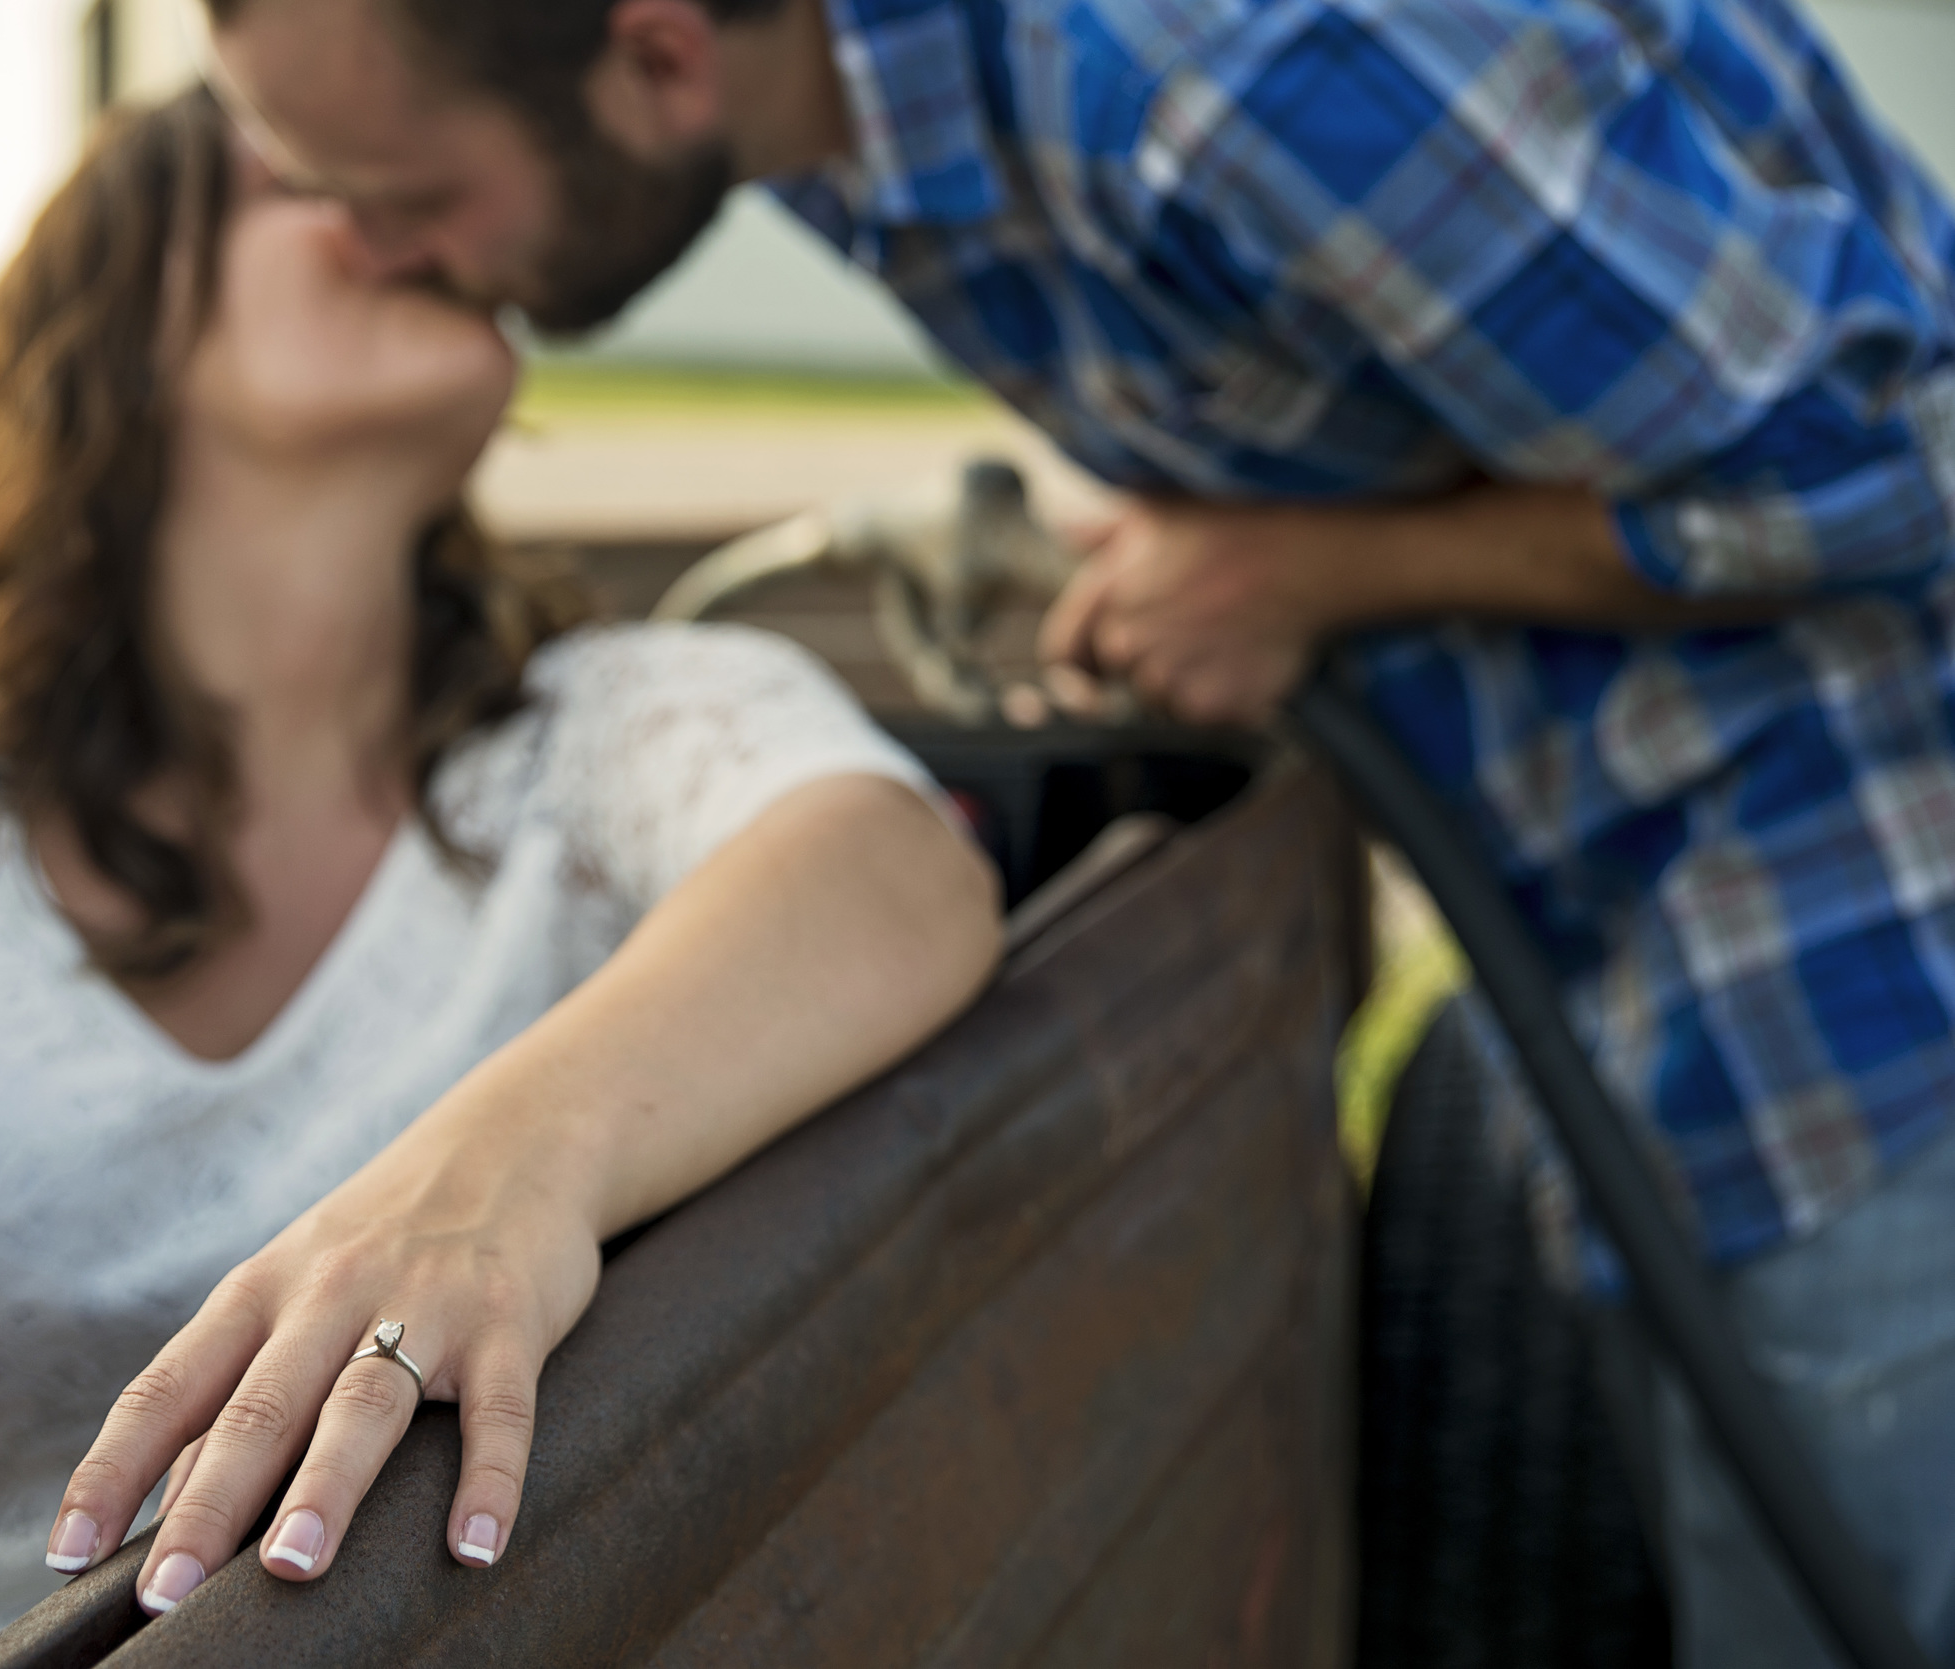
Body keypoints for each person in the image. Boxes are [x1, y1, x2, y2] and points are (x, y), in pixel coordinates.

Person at [191, 0, 1955, 1661]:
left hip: (1868, 935)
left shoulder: (1233, 63)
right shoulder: (819, 115)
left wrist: (1311, 578)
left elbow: (1900, 453)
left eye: (409, 200)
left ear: (655, 55)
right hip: (1620, 940)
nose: (387, 250)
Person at [0, 88, 1002, 1664]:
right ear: (119, 314)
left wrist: (499, 1175)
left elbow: (893, 868)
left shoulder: (605, 722)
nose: (416, 210)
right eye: (318, 166)